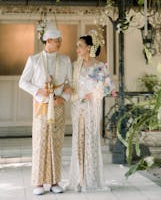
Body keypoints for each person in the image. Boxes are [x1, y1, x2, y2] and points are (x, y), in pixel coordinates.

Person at [19, 27, 72, 196]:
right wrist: (37, 91)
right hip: (41, 107)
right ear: (48, 41)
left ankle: (55, 181)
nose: (60, 44)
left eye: (60, 41)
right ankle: (39, 182)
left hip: (58, 106)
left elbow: (70, 84)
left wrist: (63, 98)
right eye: (57, 41)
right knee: (40, 143)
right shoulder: (33, 60)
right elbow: (23, 82)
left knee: (56, 144)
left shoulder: (65, 60)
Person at [68, 30, 115, 192]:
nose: (77, 49)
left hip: (91, 108)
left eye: (80, 46)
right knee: (78, 141)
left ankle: (90, 177)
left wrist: (93, 94)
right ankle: (79, 178)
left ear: (89, 47)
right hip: (77, 108)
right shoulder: (75, 66)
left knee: (90, 141)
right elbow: (71, 86)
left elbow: (108, 87)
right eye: (77, 46)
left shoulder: (100, 67)